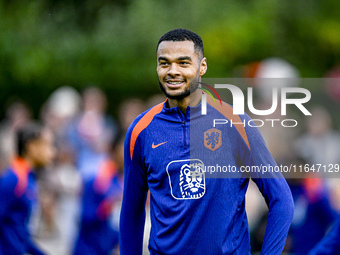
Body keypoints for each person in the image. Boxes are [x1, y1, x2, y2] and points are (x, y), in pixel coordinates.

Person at [119, 28, 294, 254]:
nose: (172, 71)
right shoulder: (140, 131)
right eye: (164, 63)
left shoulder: (235, 124)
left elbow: (282, 200)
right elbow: (131, 214)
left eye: (183, 63)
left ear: (202, 66)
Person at [0, 122, 55, 255]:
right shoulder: (14, 179)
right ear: (31, 147)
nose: (53, 152)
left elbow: (20, 231)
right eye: (48, 145)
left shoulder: (29, 178)